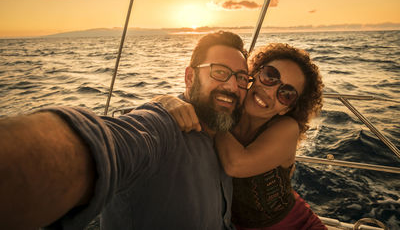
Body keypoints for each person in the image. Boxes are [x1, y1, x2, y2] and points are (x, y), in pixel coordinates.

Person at [0, 31, 250, 229]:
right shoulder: (164, 126)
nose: (232, 86)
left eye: (241, 78)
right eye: (220, 72)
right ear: (189, 78)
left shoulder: (223, 133)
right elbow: (110, 144)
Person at [157, 43, 326, 229]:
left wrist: (216, 111)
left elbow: (236, 164)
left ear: (287, 108)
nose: (270, 92)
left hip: (295, 224)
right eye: (269, 76)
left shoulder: (287, 128)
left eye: (286, 94)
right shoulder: (230, 113)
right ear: (255, 74)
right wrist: (163, 100)